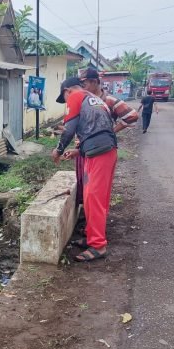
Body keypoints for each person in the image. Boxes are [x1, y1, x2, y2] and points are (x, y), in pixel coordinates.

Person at [52, 76, 119, 262]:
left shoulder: (76, 96)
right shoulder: (94, 99)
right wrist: (79, 150)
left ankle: (98, 245)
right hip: (104, 150)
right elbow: (96, 128)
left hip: (100, 153)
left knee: (94, 198)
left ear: (67, 91)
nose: (66, 102)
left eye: (64, 98)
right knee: (95, 198)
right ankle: (91, 235)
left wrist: (58, 150)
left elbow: (69, 129)